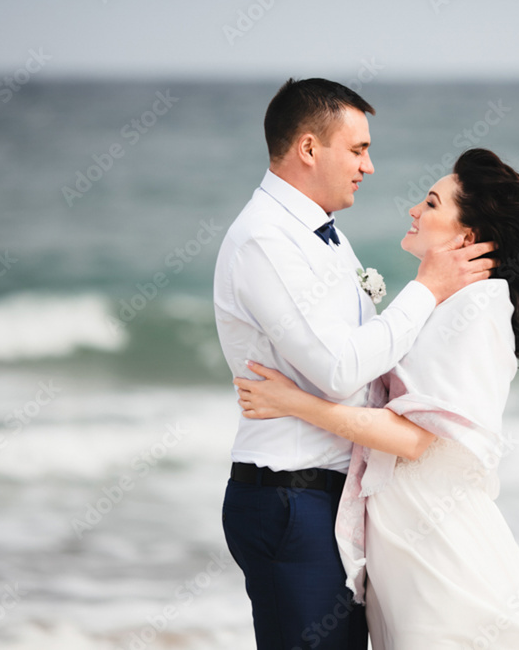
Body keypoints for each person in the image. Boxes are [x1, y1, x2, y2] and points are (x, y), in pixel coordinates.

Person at [235, 148, 519, 649]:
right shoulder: (448, 302)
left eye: (430, 203)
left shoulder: (478, 305)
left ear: (466, 237)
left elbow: (415, 439)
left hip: (436, 536)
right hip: (409, 531)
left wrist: (297, 403)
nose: (413, 210)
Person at [213, 78, 498, 650]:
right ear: (310, 149)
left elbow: (366, 368)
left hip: (329, 499)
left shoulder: (324, 236)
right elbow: (340, 371)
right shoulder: (265, 242)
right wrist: (426, 290)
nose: (369, 166)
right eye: (358, 148)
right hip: (289, 497)